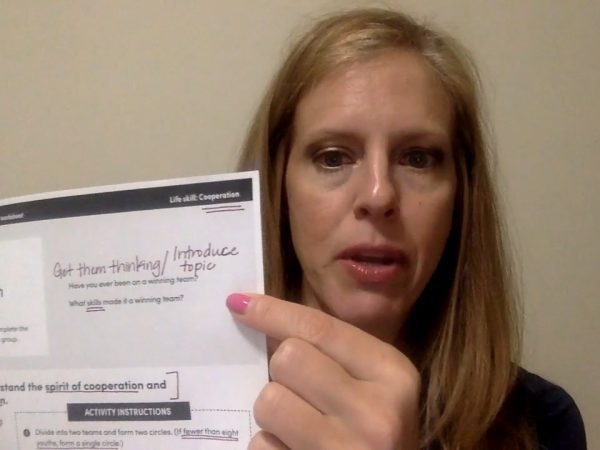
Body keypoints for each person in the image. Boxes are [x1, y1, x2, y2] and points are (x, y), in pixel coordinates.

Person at [227, 8, 586, 450]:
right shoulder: (187, 399)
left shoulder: (540, 424)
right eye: (333, 157)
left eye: (417, 158)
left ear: (461, 196)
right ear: (278, 187)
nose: (379, 195)